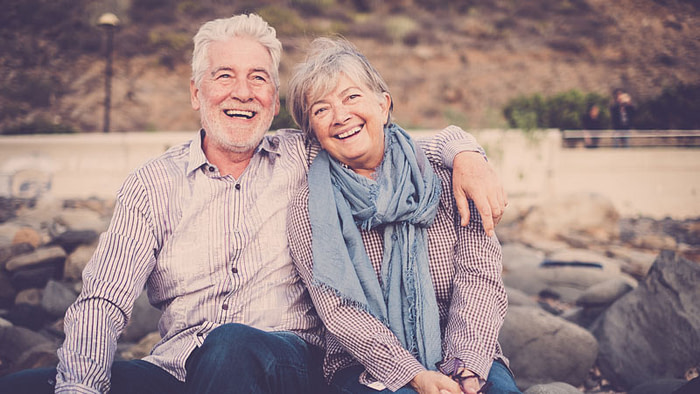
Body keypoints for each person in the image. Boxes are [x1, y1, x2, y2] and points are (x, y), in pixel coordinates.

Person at [0, 14, 507, 394]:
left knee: (231, 344)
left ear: (272, 94)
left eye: (259, 78)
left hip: (284, 360)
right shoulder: (153, 184)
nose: (242, 93)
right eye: (224, 76)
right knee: (30, 387)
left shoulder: (302, 154)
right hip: (178, 366)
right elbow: (104, 299)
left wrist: (466, 152)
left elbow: (377, 138)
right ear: (196, 93)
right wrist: (80, 387)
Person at [286, 37, 519, 394]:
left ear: (383, 105)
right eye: (321, 109)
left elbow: (480, 278)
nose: (340, 116)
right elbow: (338, 310)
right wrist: (413, 374)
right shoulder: (310, 205)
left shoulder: (446, 173)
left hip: (462, 350)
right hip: (364, 364)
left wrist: (465, 367)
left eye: (351, 97)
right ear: (313, 131)